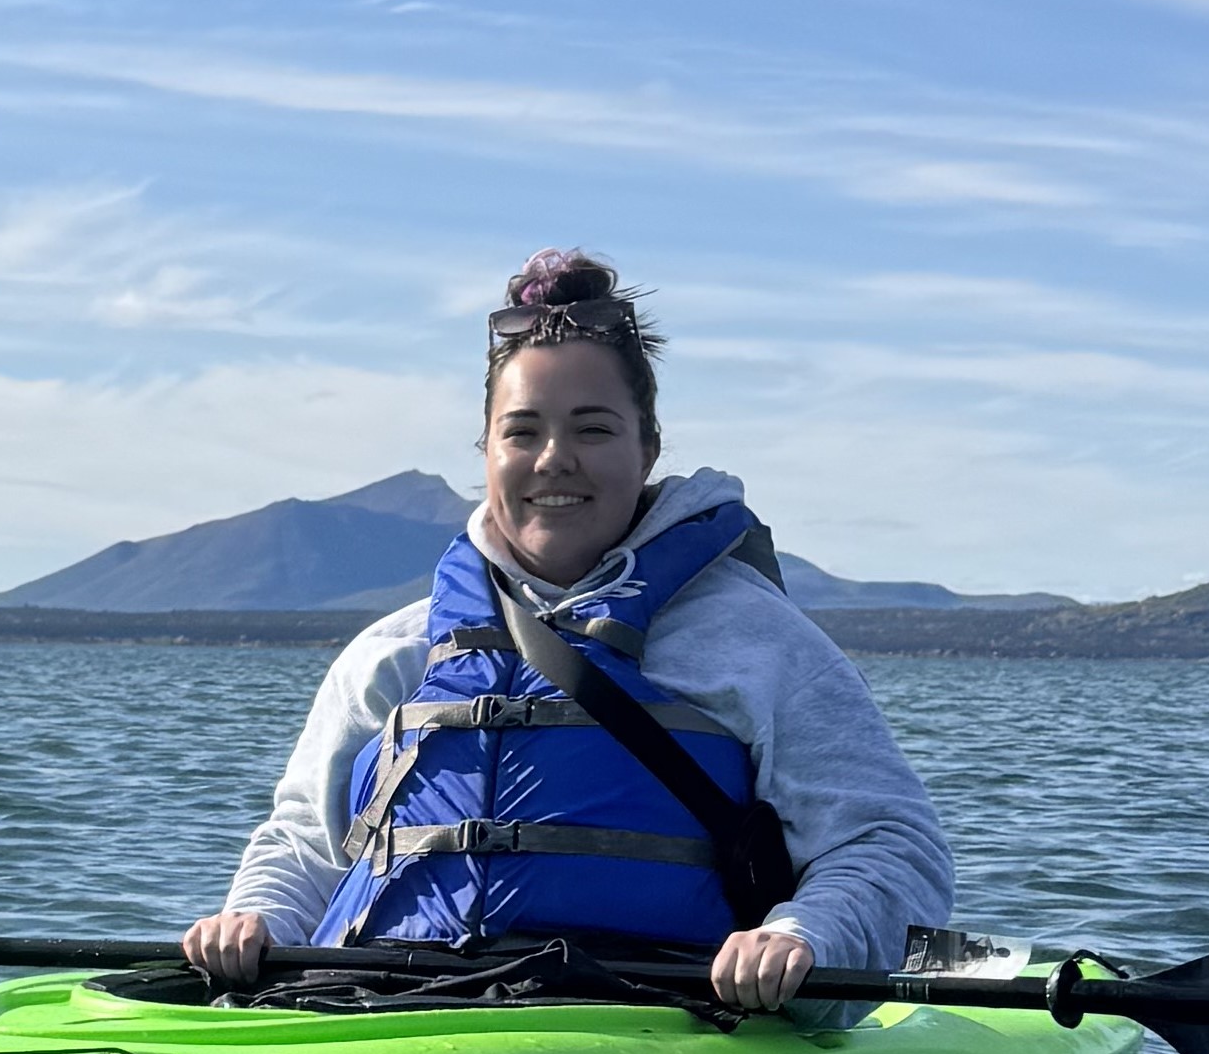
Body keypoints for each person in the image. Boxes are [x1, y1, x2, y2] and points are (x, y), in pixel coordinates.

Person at [182, 249, 952, 1013]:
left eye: (592, 430)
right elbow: (304, 846)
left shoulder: (759, 644)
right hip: (383, 1001)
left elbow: (889, 846)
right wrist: (259, 919)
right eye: (522, 433)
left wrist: (802, 934)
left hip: (653, 1012)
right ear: (485, 453)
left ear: (646, 448)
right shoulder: (392, 653)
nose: (555, 460)